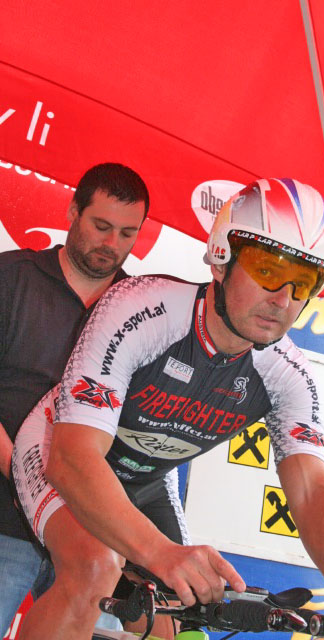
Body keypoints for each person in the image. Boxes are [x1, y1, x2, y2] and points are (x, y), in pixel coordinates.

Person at [12, 178, 324, 640]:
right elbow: (72, 458)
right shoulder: (142, 307)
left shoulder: (287, 374)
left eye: (303, 281)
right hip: (55, 446)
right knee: (95, 566)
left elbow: (312, 491)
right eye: (267, 269)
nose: (282, 299)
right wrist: (157, 552)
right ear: (222, 258)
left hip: (146, 480)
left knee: (182, 622)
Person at [0, 162, 149, 636]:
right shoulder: (11, 278)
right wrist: (27, 480)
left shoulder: (142, 308)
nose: (112, 244)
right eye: (101, 226)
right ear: (72, 211)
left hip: (93, 534)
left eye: (127, 233)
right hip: (3, 523)